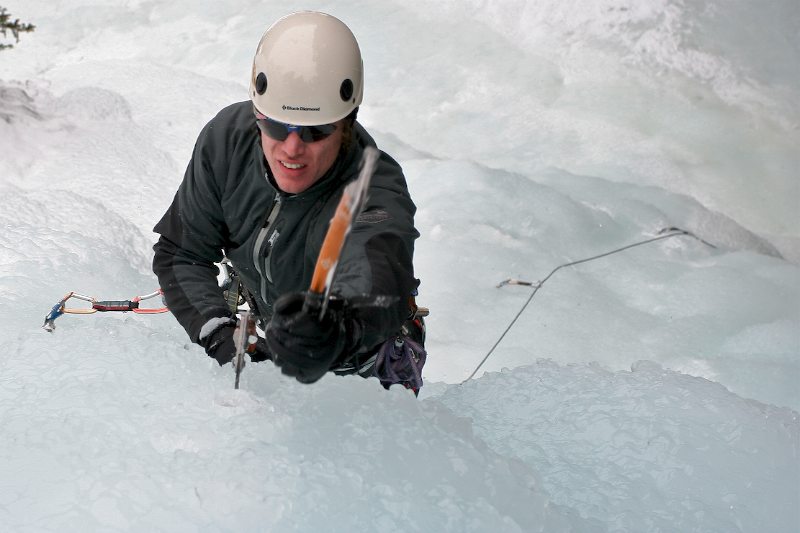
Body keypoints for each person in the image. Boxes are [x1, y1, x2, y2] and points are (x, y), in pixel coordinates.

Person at [152, 11, 422, 385]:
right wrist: (221, 335)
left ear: (347, 122)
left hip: (362, 366)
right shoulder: (228, 142)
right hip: (272, 328)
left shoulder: (373, 190)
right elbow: (182, 253)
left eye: (316, 131)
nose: (292, 148)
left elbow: (376, 282)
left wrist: (336, 330)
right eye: (276, 125)